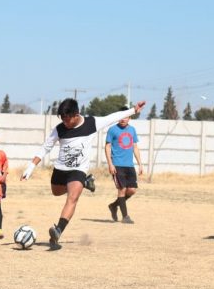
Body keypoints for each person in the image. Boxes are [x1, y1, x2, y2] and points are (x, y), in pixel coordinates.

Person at [21, 98, 145, 249]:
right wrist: (31, 167)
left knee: (72, 198)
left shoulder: (91, 123)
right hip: (61, 169)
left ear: (76, 114)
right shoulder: (60, 129)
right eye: (62, 118)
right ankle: (86, 182)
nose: (65, 122)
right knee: (56, 192)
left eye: (68, 119)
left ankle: (58, 230)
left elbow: (112, 117)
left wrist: (133, 110)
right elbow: (46, 147)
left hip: (78, 170)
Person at [105, 112, 143, 224]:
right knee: (121, 190)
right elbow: (107, 146)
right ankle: (125, 216)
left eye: (125, 117)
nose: (123, 119)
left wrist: (140, 164)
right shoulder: (112, 130)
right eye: (121, 117)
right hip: (117, 165)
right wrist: (110, 164)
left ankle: (113, 205)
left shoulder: (132, 130)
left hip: (129, 165)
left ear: (129, 118)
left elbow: (135, 147)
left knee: (131, 190)